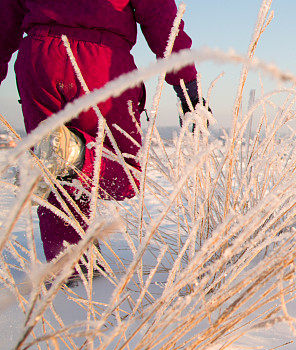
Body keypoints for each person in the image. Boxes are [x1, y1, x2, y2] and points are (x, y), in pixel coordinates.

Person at [0, 0, 205, 276]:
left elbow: (5, 18)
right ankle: (76, 155)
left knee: (56, 178)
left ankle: (70, 272)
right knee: (121, 174)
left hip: (38, 61)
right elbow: (160, 16)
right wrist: (187, 86)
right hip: (100, 63)